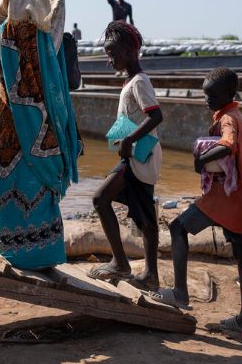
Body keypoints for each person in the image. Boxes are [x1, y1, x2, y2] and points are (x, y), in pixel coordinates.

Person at [0, 0, 79, 269]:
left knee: (1, 169)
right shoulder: (51, 0)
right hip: (40, 105)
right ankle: (39, 252)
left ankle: (15, 249)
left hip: (19, 104)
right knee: (25, 173)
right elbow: (2, 63)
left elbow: (8, 56)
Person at [157, 68, 242, 331]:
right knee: (241, 249)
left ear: (229, 94)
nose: (207, 100)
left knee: (178, 227)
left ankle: (179, 292)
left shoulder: (228, 120)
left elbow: (228, 145)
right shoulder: (233, 114)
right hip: (241, 191)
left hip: (226, 195)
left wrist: (202, 159)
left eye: (212, 96)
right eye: (205, 95)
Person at [88, 21, 162, 286]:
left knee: (143, 215)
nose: (110, 59)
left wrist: (129, 138)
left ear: (130, 52)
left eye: (113, 54)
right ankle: (121, 263)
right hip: (132, 156)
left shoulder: (140, 82)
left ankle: (147, 273)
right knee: (106, 201)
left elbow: (156, 116)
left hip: (142, 156)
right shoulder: (131, 81)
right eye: (108, 54)